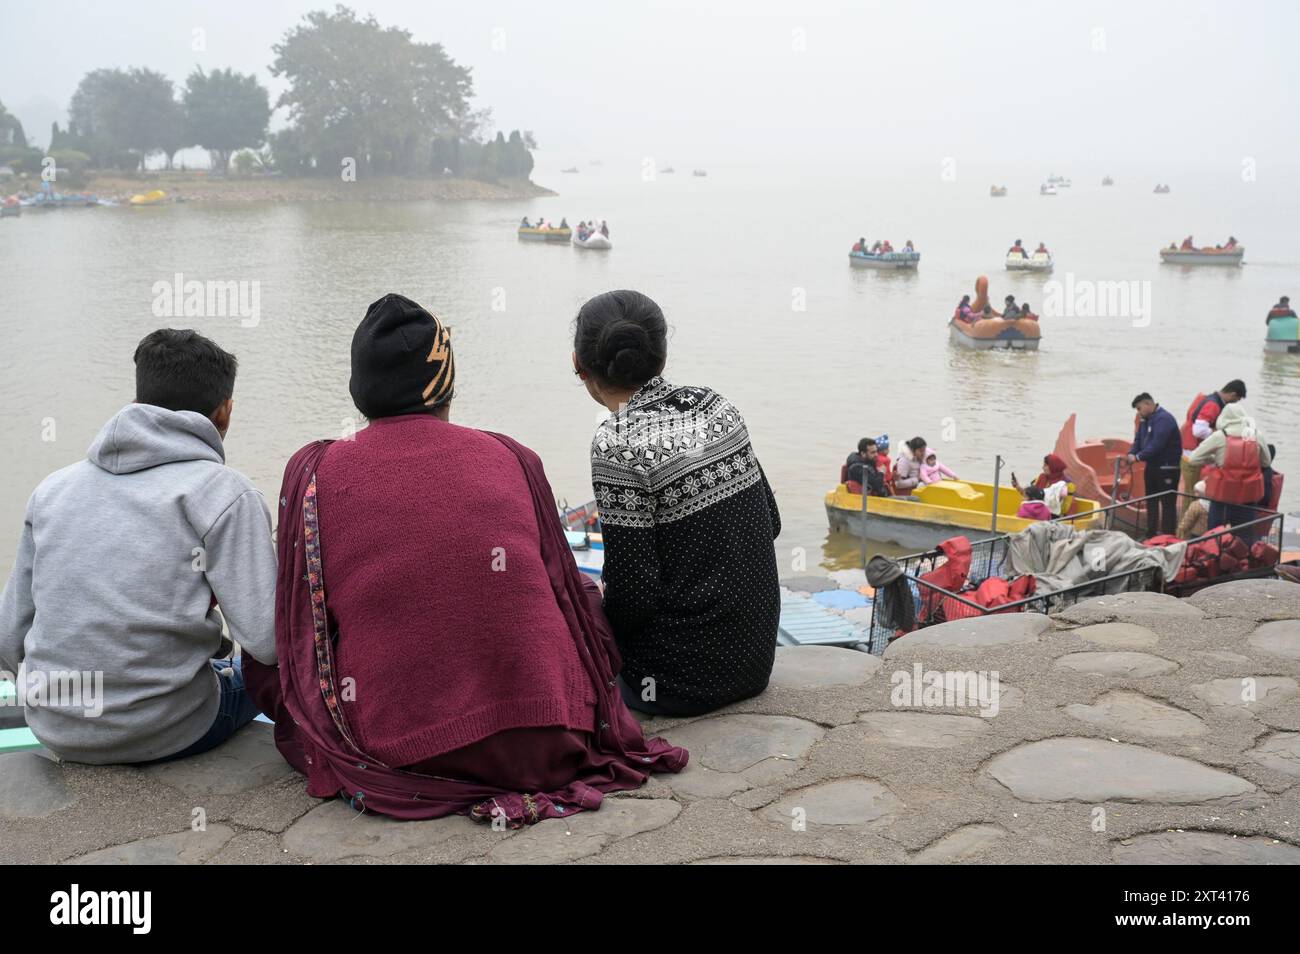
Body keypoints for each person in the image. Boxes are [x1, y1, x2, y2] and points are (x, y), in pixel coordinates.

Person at [246, 293, 686, 825]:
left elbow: (295, 630)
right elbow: (566, 594)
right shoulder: (512, 455)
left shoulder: (314, 472)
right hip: (549, 738)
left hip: (403, 749)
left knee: (278, 642)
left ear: (361, 391)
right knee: (578, 594)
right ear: (447, 386)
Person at [0, 329, 278, 764]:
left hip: (54, 726)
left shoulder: (52, 490)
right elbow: (268, 642)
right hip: (171, 728)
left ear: (137, 402)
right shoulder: (226, 494)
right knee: (253, 673)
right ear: (225, 412)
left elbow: (9, 634)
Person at [573, 290, 781, 717]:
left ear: (579, 366)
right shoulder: (715, 406)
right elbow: (771, 522)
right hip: (756, 662)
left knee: (573, 600)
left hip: (677, 682)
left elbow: (634, 595)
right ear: (661, 358)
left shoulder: (616, 443)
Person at [1186, 403, 1273, 534]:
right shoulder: (1256, 435)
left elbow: (1193, 459)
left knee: (1215, 537)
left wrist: (1215, 459)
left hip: (1222, 497)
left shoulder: (1219, 436)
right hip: (1248, 498)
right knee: (1243, 538)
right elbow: (1266, 462)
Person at [1180, 379, 1246, 515]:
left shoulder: (1210, 399)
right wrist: (1218, 435)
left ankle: (1186, 526)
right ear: (1232, 395)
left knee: (1191, 493)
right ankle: (1184, 530)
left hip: (1193, 453)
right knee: (1192, 495)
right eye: (1236, 400)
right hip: (1192, 455)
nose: (1234, 403)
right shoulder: (1213, 405)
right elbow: (1198, 430)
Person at [1127, 392, 1183, 538]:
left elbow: (1157, 444)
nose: (1138, 413)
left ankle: (1168, 536)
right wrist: (1131, 453)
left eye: (1139, 408)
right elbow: (1138, 439)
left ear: (1148, 404)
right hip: (1151, 467)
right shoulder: (1145, 419)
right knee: (1151, 501)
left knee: (1167, 504)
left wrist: (1138, 457)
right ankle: (1150, 534)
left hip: (1167, 468)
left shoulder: (1164, 419)